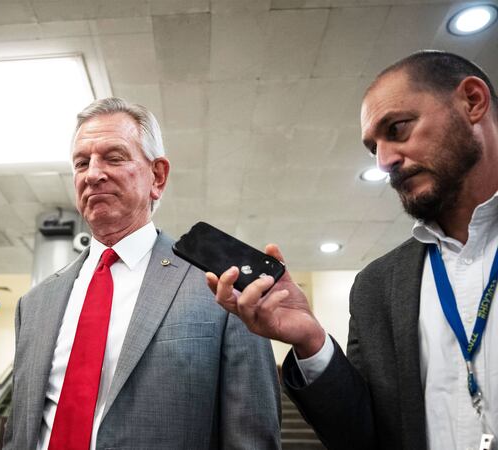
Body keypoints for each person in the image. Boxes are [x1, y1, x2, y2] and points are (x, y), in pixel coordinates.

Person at [208, 51, 498, 450]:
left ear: (472, 101)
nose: (384, 161)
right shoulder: (376, 286)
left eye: (397, 129)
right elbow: (363, 436)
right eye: (372, 148)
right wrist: (310, 340)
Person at [5, 97, 280, 450]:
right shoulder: (34, 304)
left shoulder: (223, 289)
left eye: (114, 157)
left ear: (158, 175)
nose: (92, 173)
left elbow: (252, 440)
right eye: (81, 162)